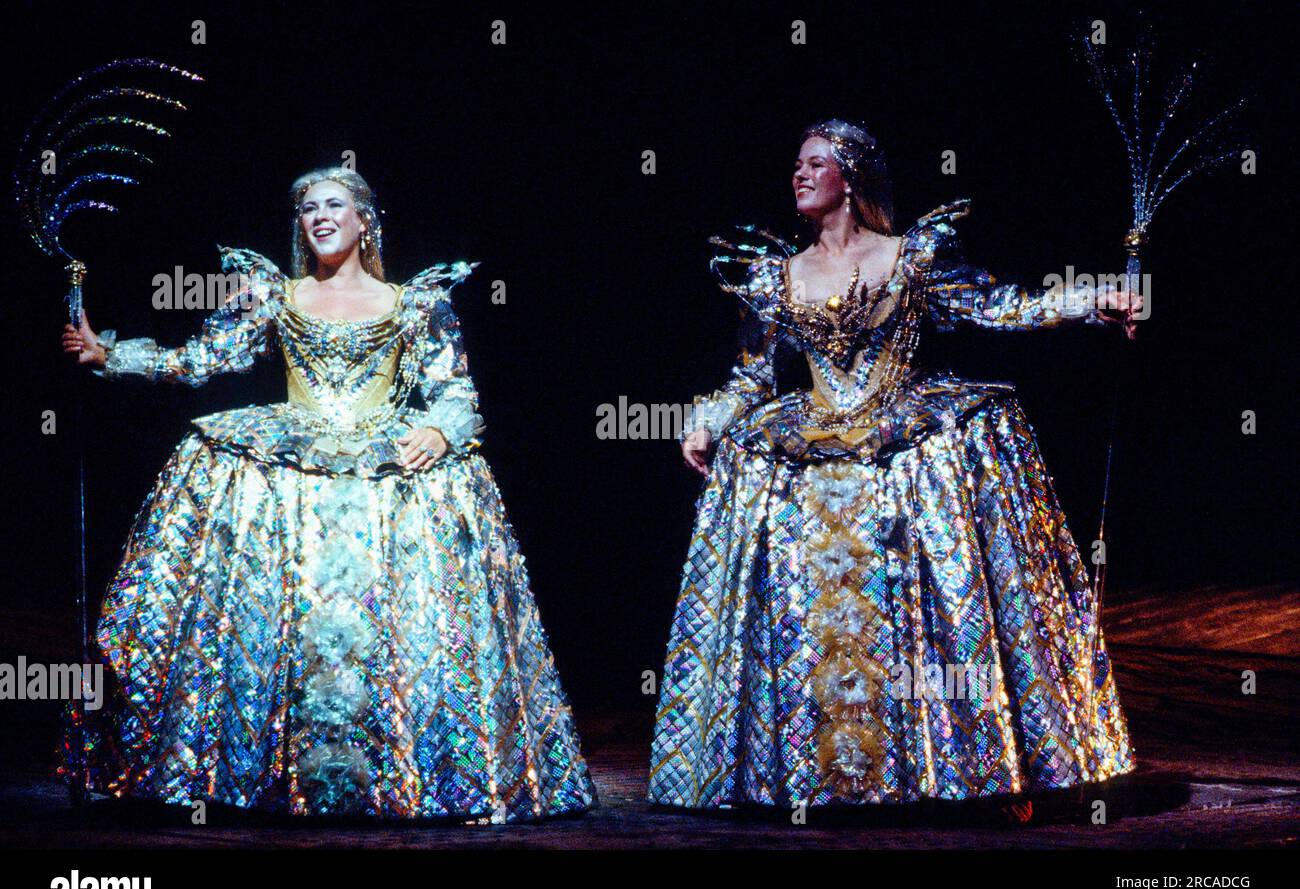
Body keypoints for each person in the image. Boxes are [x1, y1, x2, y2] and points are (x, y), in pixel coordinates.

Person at [60, 167, 594, 821]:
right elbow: (203, 359)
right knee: (290, 625)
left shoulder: (416, 303)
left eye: (334, 205)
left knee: (390, 628)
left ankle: (413, 773)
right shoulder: (276, 296)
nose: (319, 216)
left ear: (365, 218)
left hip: (384, 476)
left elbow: (457, 393)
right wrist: (111, 355)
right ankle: (260, 775)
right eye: (307, 208)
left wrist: (440, 429)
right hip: (294, 477)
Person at [649, 120, 1140, 814]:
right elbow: (753, 376)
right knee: (813, 616)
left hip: (900, 446)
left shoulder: (912, 257)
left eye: (815, 163)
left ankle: (965, 768)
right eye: (796, 164)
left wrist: (1091, 300)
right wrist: (706, 420)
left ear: (848, 178)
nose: (799, 174)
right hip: (811, 451)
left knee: (917, 605)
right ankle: (814, 777)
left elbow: (1000, 307)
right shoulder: (773, 276)